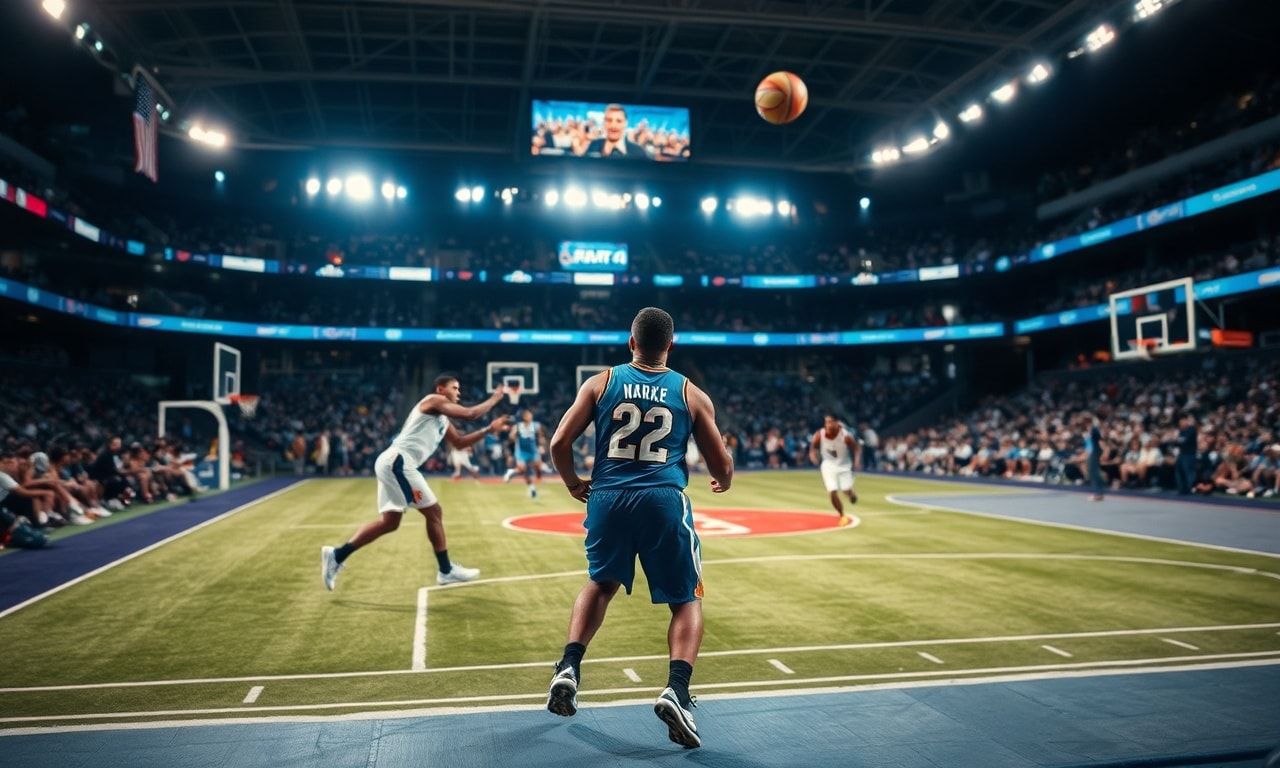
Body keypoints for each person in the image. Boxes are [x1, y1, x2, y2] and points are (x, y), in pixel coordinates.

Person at [544, 307, 734, 750]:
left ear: (631, 342)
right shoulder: (691, 393)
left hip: (607, 498)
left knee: (600, 583)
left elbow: (558, 443)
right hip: (662, 500)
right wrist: (723, 477)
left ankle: (569, 665)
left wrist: (573, 483)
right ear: (671, 345)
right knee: (686, 599)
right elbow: (720, 465)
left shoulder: (600, 382)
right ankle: (677, 691)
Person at [320, 375, 511, 591]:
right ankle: (446, 570)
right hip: (399, 462)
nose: (459, 392)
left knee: (390, 522)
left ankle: (337, 555)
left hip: (393, 462)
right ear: (441, 389)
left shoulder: (442, 419)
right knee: (434, 512)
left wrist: (489, 429)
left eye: (459, 389)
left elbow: (459, 442)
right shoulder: (433, 400)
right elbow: (470, 414)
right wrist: (495, 398)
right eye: (454, 388)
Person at [809, 415, 858, 526]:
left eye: (831, 422)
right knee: (832, 491)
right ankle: (842, 515)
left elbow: (856, 448)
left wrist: (857, 461)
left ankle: (851, 494)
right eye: (826, 422)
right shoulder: (819, 435)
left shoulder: (845, 435)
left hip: (844, 465)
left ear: (837, 423)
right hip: (828, 466)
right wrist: (813, 457)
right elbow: (813, 449)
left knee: (846, 489)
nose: (828, 424)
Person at [503, 409, 546, 500]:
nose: (530, 416)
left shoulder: (536, 425)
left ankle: (530, 483)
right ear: (523, 417)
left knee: (537, 469)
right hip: (521, 451)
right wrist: (513, 435)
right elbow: (511, 437)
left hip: (533, 451)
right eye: (528, 415)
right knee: (523, 469)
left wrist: (541, 446)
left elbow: (540, 436)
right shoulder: (518, 426)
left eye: (530, 414)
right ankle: (531, 488)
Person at [1175, 414, 1198, 495]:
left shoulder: (1191, 429)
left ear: (1186, 421)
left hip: (1189, 454)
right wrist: (1178, 440)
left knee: (1189, 472)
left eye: (1182, 421)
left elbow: (1184, 441)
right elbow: (1177, 442)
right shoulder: (1181, 431)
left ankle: (1190, 489)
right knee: (1179, 471)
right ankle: (1181, 489)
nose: (1181, 423)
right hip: (1182, 454)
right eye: (1180, 422)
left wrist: (1178, 440)